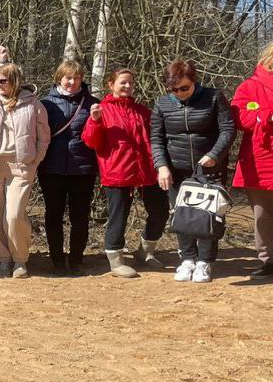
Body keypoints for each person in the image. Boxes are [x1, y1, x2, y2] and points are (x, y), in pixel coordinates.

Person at [151, 59, 234, 284]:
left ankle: (204, 262)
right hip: (175, 169)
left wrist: (214, 155)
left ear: (194, 81)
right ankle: (187, 258)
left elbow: (228, 129)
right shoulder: (162, 104)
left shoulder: (214, 97)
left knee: (206, 214)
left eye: (184, 88)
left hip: (208, 168)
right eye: (174, 89)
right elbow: (156, 138)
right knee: (182, 215)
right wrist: (161, 166)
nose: (179, 93)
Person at [81, 67, 168, 278]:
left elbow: (156, 138)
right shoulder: (101, 109)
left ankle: (145, 251)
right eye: (123, 82)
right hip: (117, 171)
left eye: (131, 82)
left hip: (146, 171)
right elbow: (91, 141)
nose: (127, 86)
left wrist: (160, 165)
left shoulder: (142, 111)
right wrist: (94, 121)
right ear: (111, 85)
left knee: (160, 211)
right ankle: (116, 259)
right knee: (118, 216)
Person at [0, 63, 50, 279]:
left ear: (15, 81)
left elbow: (44, 138)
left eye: (3, 80)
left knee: (13, 216)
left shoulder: (33, 104)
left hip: (21, 168)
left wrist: (34, 162)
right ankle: (3, 259)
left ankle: (20, 260)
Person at [39, 61, 99, 275]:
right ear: (59, 78)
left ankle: (76, 259)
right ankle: (56, 259)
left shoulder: (93, 104)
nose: (73, 82)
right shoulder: (45, 104)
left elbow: (98, 138)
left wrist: (96, 120)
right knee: (53, 215)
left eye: (77, 78)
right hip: (51, 168)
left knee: (80, 216)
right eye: (68, 78)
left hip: (82, 169)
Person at [231, 41, 273, 279]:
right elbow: (239, 117)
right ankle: (268, 261)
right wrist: (267, 116)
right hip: (259, 160)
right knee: (262, 215)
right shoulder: (250, 86)